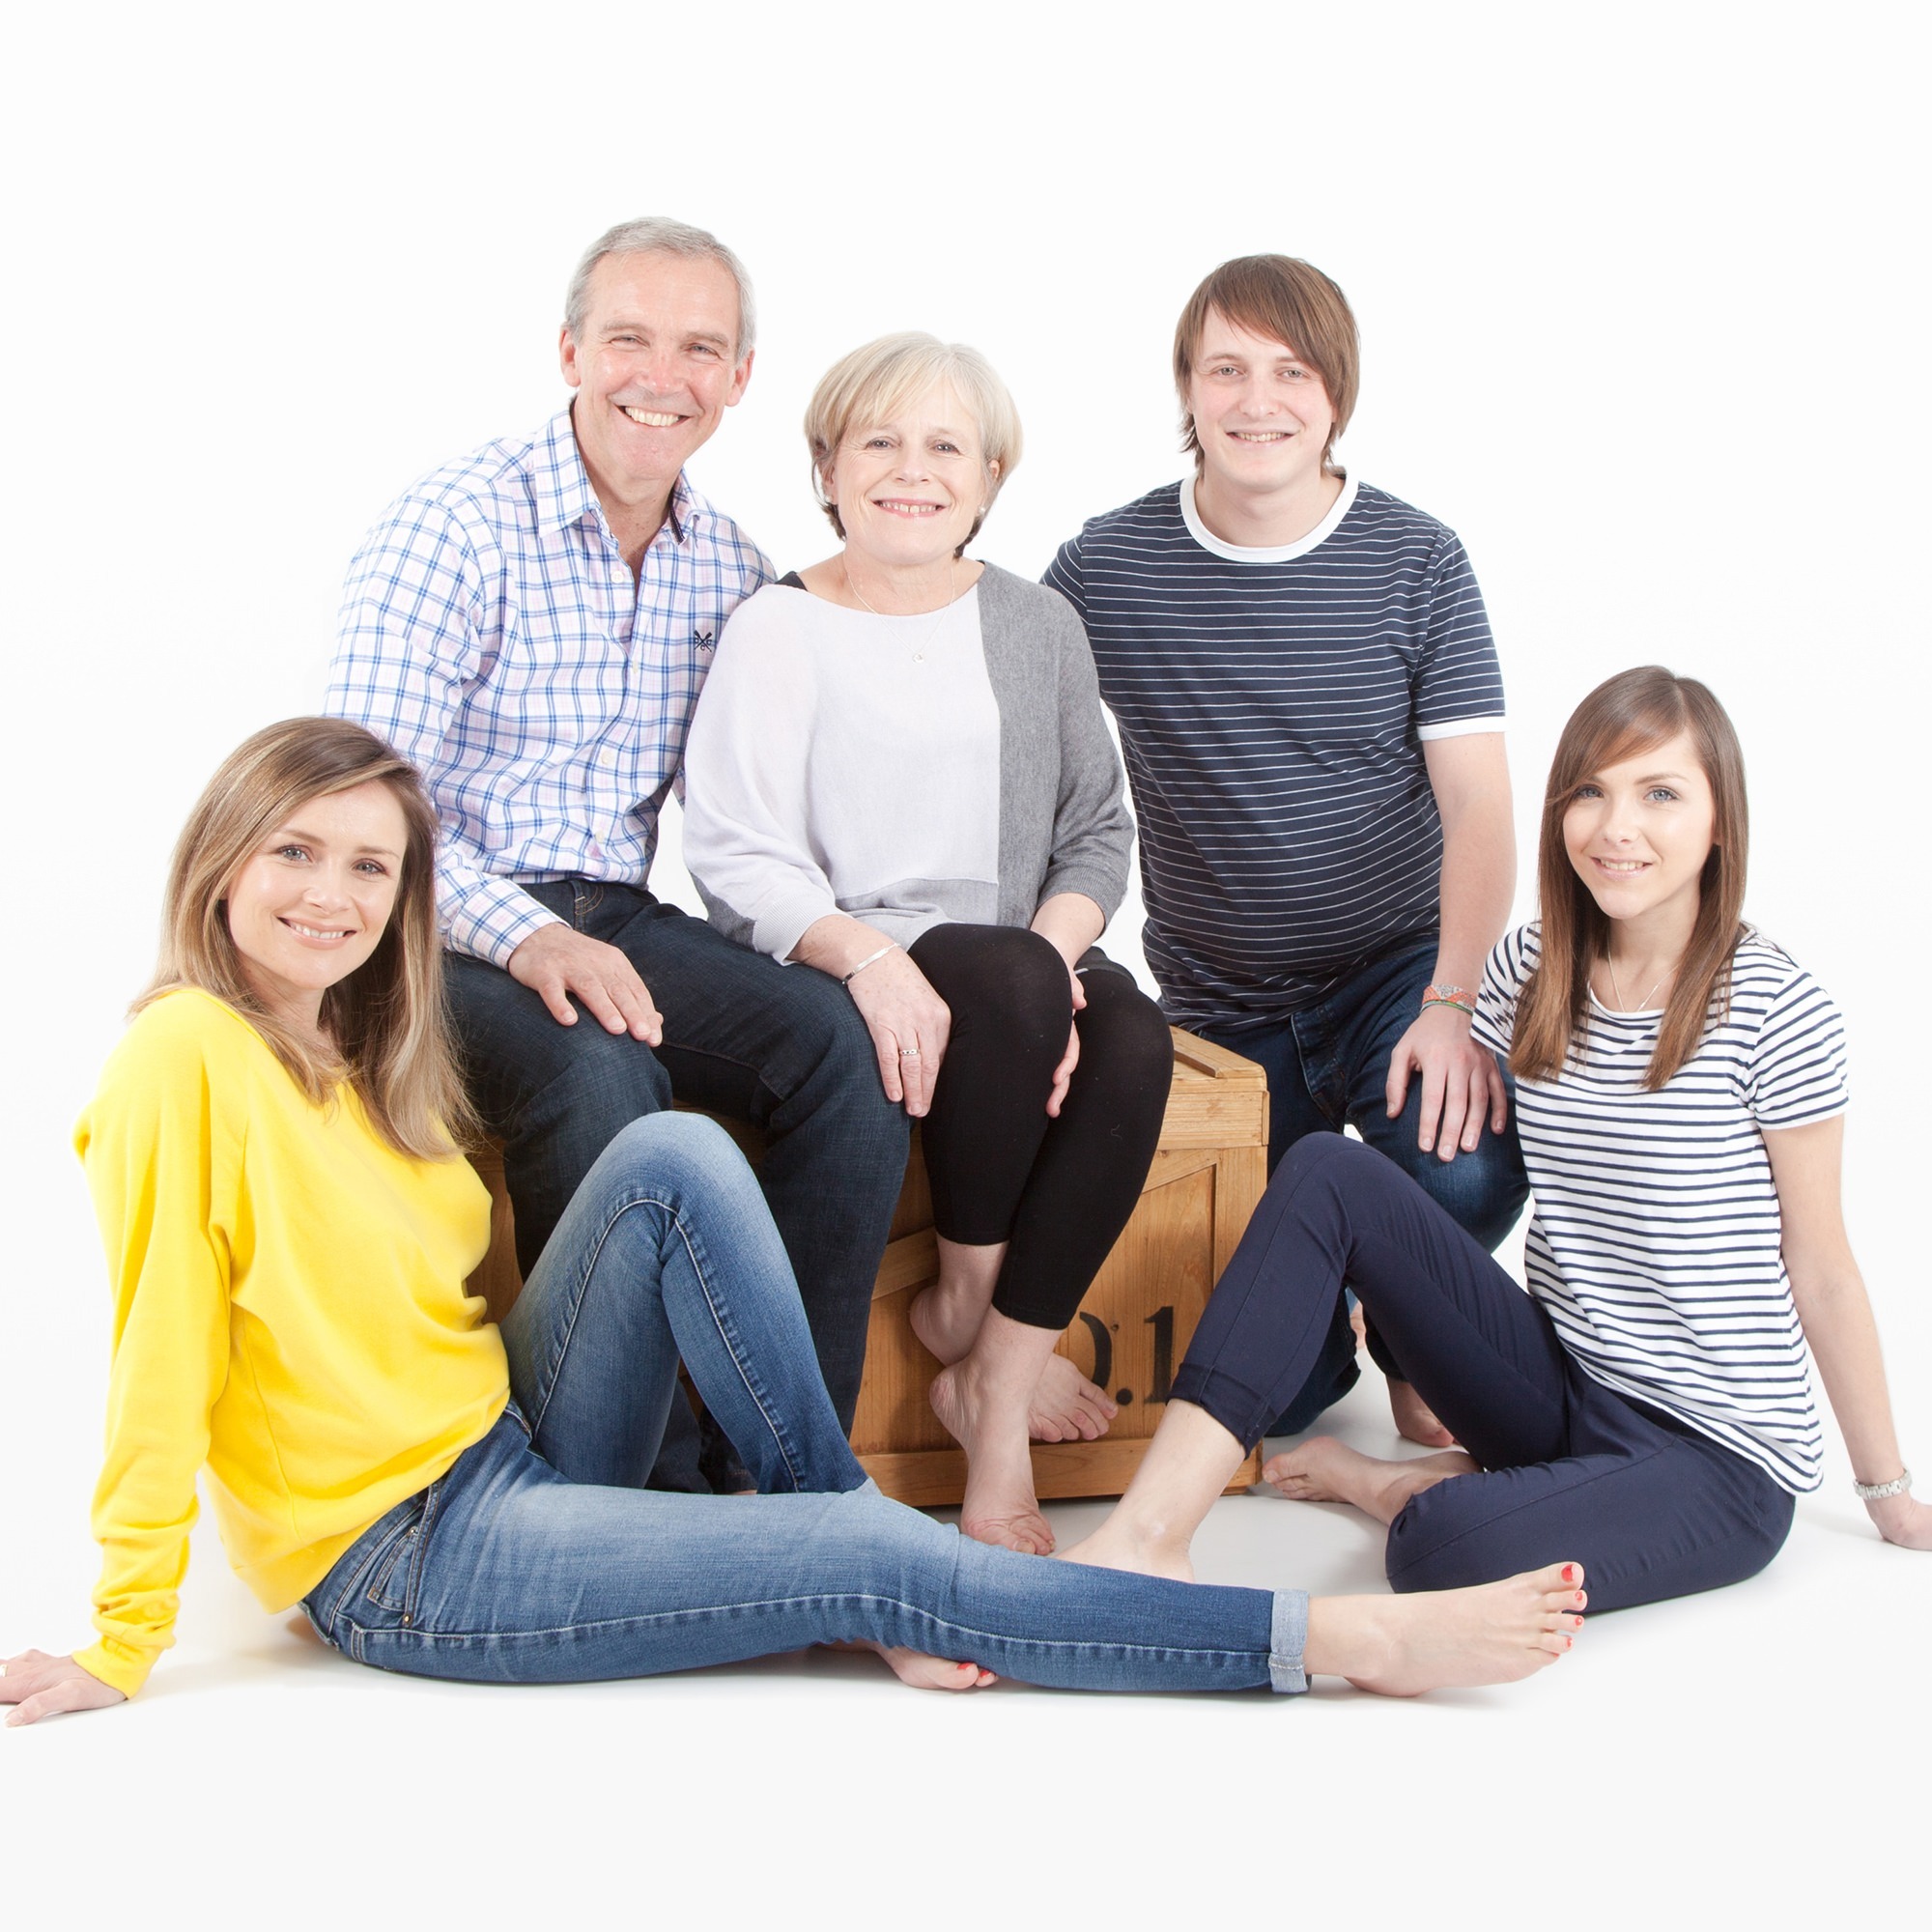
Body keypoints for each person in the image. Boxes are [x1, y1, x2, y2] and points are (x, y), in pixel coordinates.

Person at [0, 718, 1588, 1724]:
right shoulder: (184, 1055)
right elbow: (156, 1348)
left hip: (503, 1442)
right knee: (856, 1544)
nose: (332, 898)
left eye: (369, 866)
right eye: (294, 854)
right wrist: (122, 1638)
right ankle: (1329, 1650)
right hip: (412, 1555)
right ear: (218, 864)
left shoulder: (356, 1044)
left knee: (678, 1157)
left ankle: (853, 1557)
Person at [1060, 668, 1932, 1608]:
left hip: (1714, 1452)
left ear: (1719, 823)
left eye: (1660, 794)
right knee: (1326, 1168)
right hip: (1558, 1389)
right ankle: (1147, 1531)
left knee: (1435, 1552)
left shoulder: (1773, 1006)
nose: (1615, 826)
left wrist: (1885, 1490)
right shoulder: (1526, 970)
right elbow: (1425, 1156)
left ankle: (1390, 1482)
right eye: (1589, 790)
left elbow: (1821, 1263)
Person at [325, 216, 907, 1492]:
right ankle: (645, 1484)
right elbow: (360, 812)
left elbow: (762, 816)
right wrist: (527, 934)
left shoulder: (732, 570)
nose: (663, 374)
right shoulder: (456, 527)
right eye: (631, 338)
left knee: (842, 1050)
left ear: (740, 378)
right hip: (433, 931)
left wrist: (879, 951)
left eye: (700, 347)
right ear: (570, 351)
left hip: (618, 916)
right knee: (601, 1075)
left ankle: (789, 1476)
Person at [680, 333, 1175, 1557]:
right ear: (827, 468)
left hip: (1019, 945)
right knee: (1004, 981)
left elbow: (1095, 828)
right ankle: (967, 1318)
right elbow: (734, 849)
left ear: (991, 474)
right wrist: (867, 955)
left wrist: (1062, 958)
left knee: (1131, 1037)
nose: (912, 471)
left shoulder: (1036, 621)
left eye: (945, 444)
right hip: (847, 957)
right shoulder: (775, 627)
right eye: (879, 443)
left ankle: (987, 1374)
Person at [1044, 254, 1525, 1449]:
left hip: (1393, 974)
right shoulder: (1105, 565)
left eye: (1289, 371)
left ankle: (1410, 1328)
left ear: (1335, 395)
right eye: (1226, 369)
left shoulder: (1416, 558)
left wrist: (1451, 1006)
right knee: (1287, 1388)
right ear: (1187, 389)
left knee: (1465, 1173)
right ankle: (1362, 1329)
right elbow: (1003, 720)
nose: (1256, 400)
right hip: (1215, 1001)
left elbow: (1478, 808)